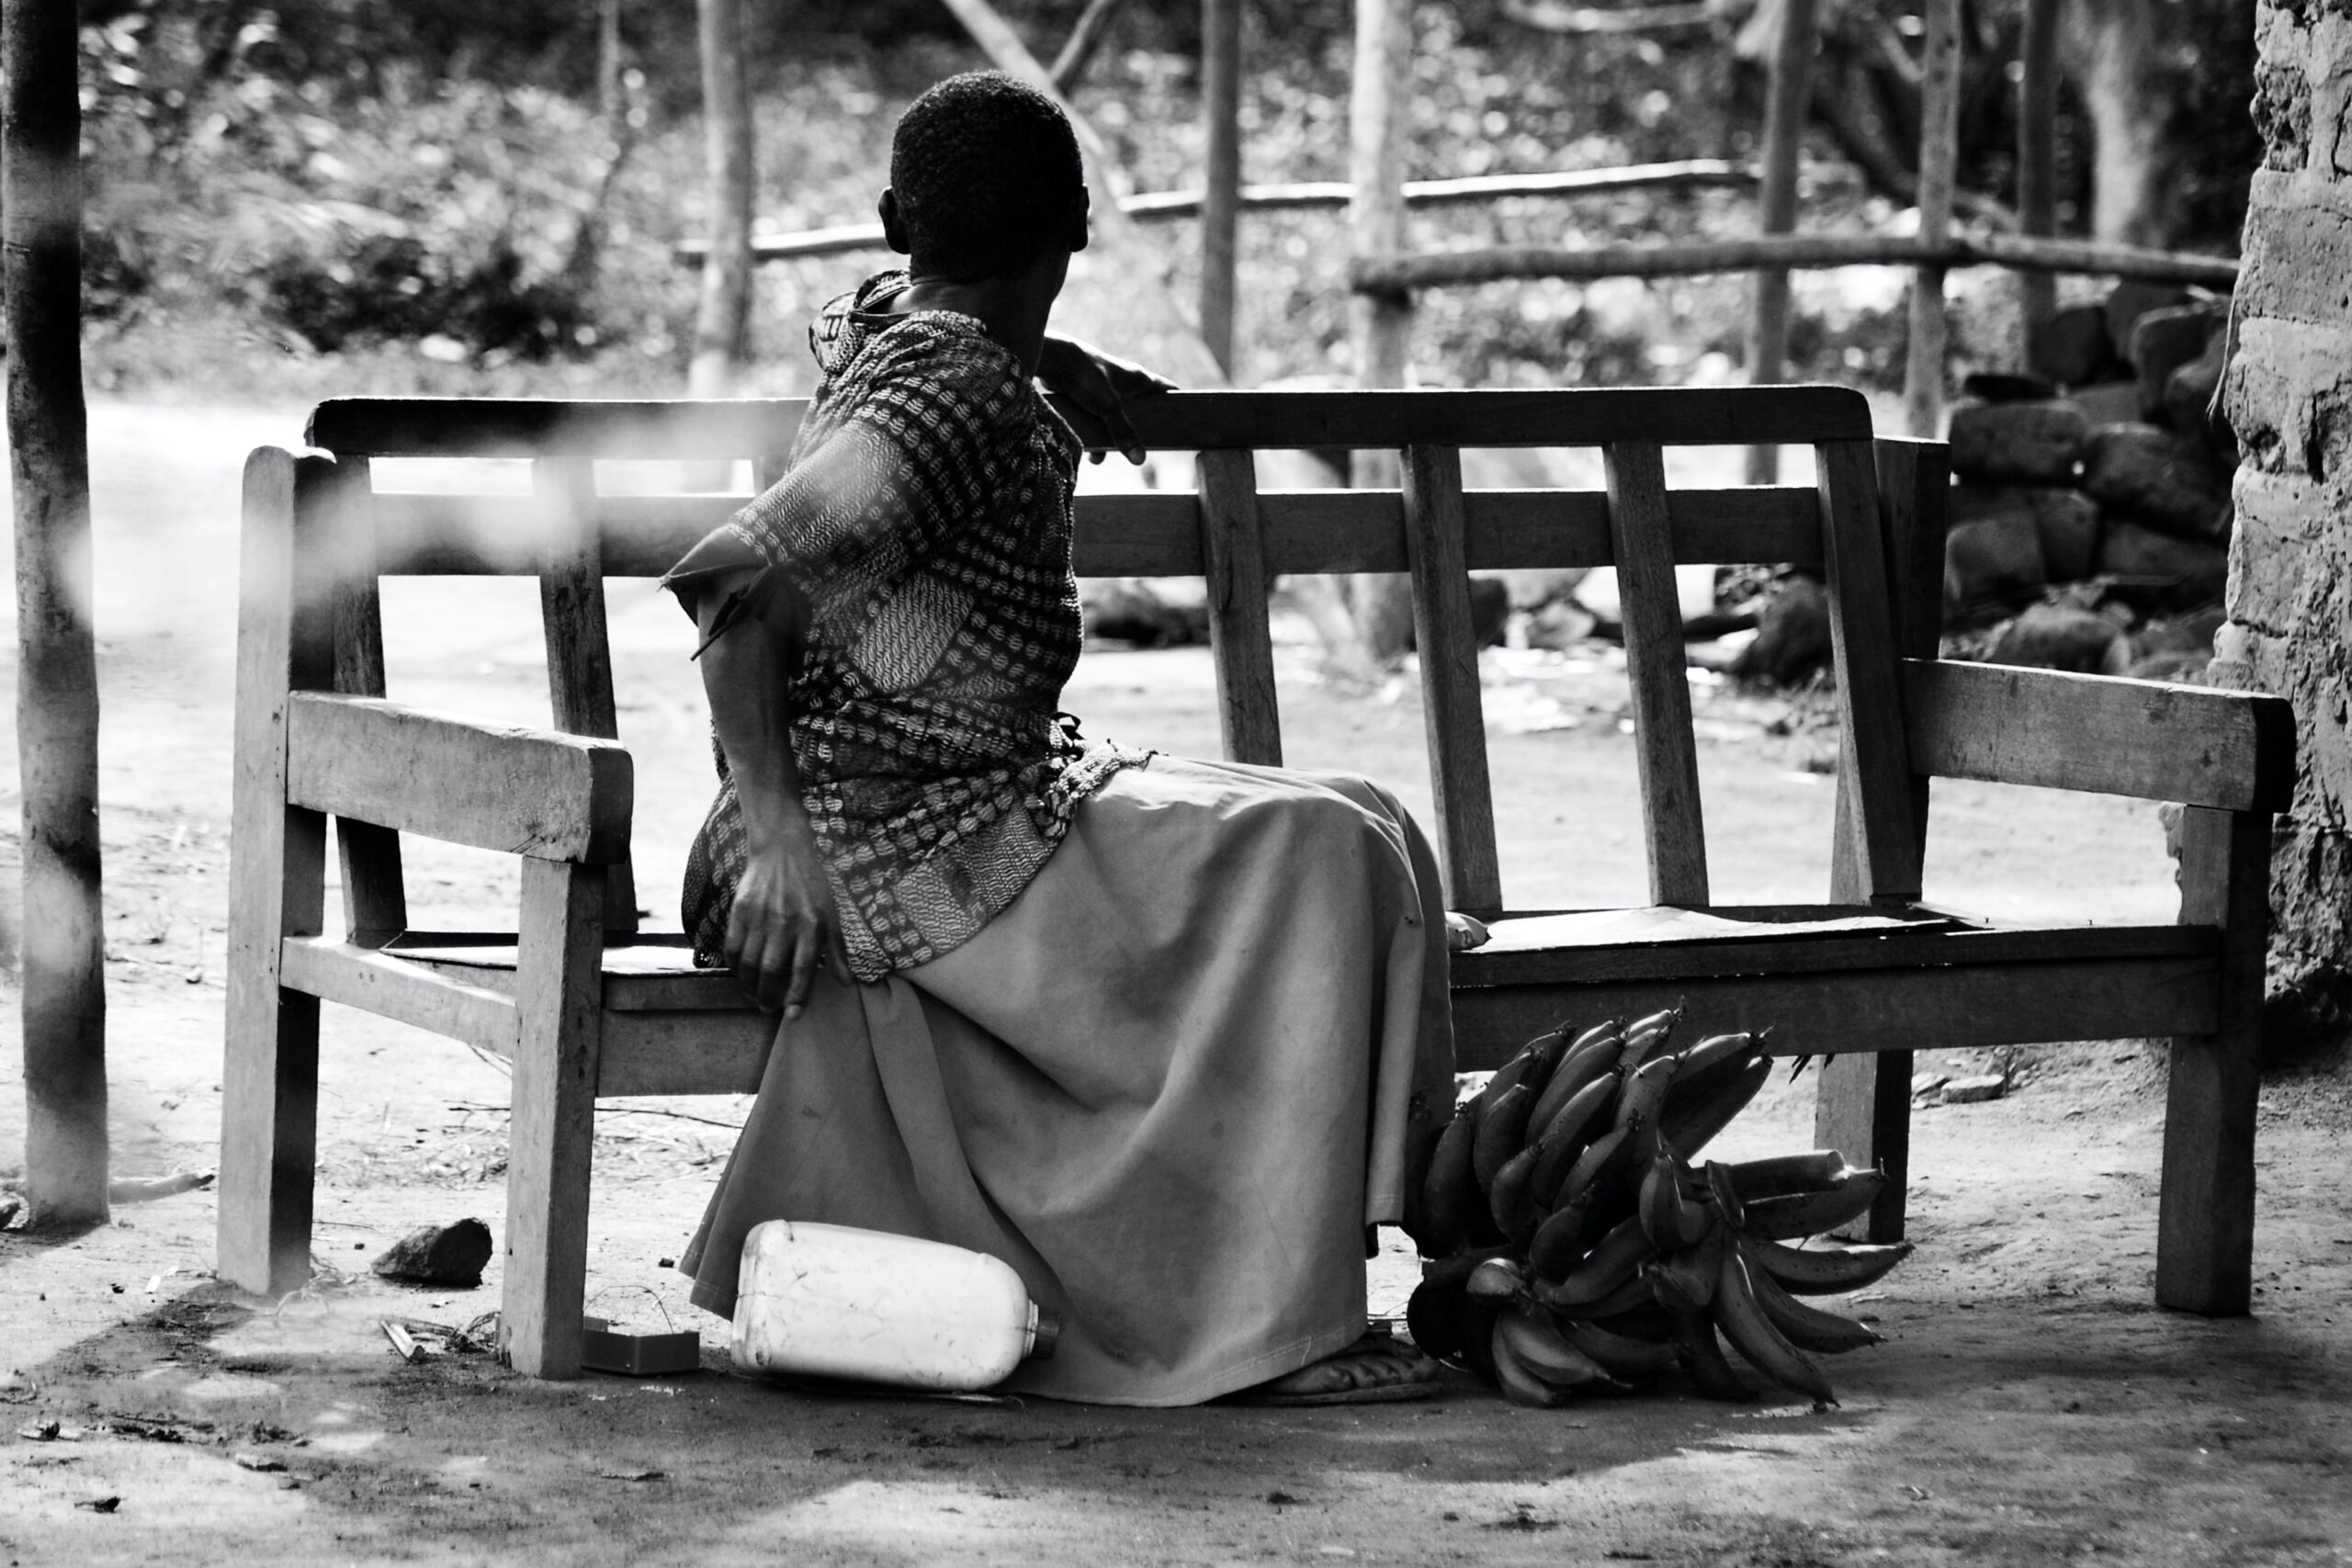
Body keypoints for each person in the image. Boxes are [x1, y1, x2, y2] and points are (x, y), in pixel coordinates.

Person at [662, 70, 1461, 1406]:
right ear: (1078, 228)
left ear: (893, 222)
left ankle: (1343, 1269)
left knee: (1359, 809)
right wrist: (783, 843)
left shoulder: (918, 340)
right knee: (1323, 854)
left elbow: (903, 321)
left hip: (968, 799)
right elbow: (736, 592)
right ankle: (1271, 1327)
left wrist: (1044, 362)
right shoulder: (951, 391)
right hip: (868, 839)